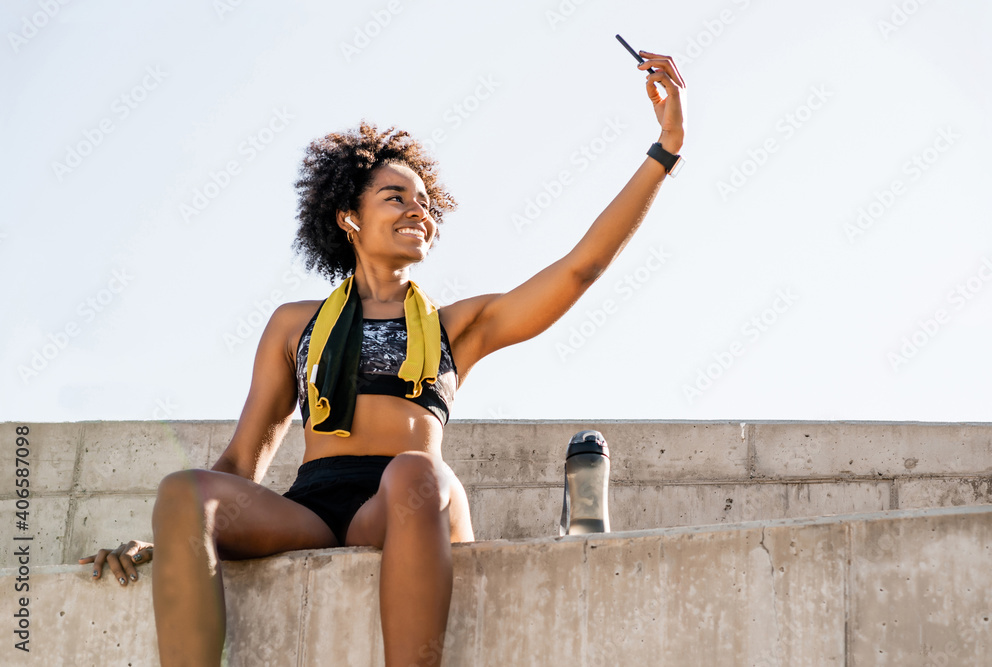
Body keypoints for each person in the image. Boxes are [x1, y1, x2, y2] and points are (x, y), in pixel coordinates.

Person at [79, 50, 686, 667]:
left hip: (409, 501)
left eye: (424, 201)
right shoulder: (296, 325)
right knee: (183, 490)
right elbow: (242, 460)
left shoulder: (458, 326)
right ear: (349, 217)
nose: (417, 210)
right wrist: (173, 536)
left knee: (414, 472)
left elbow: (579, 269)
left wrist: (664, 150)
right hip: (313, 508)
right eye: (396, 198)